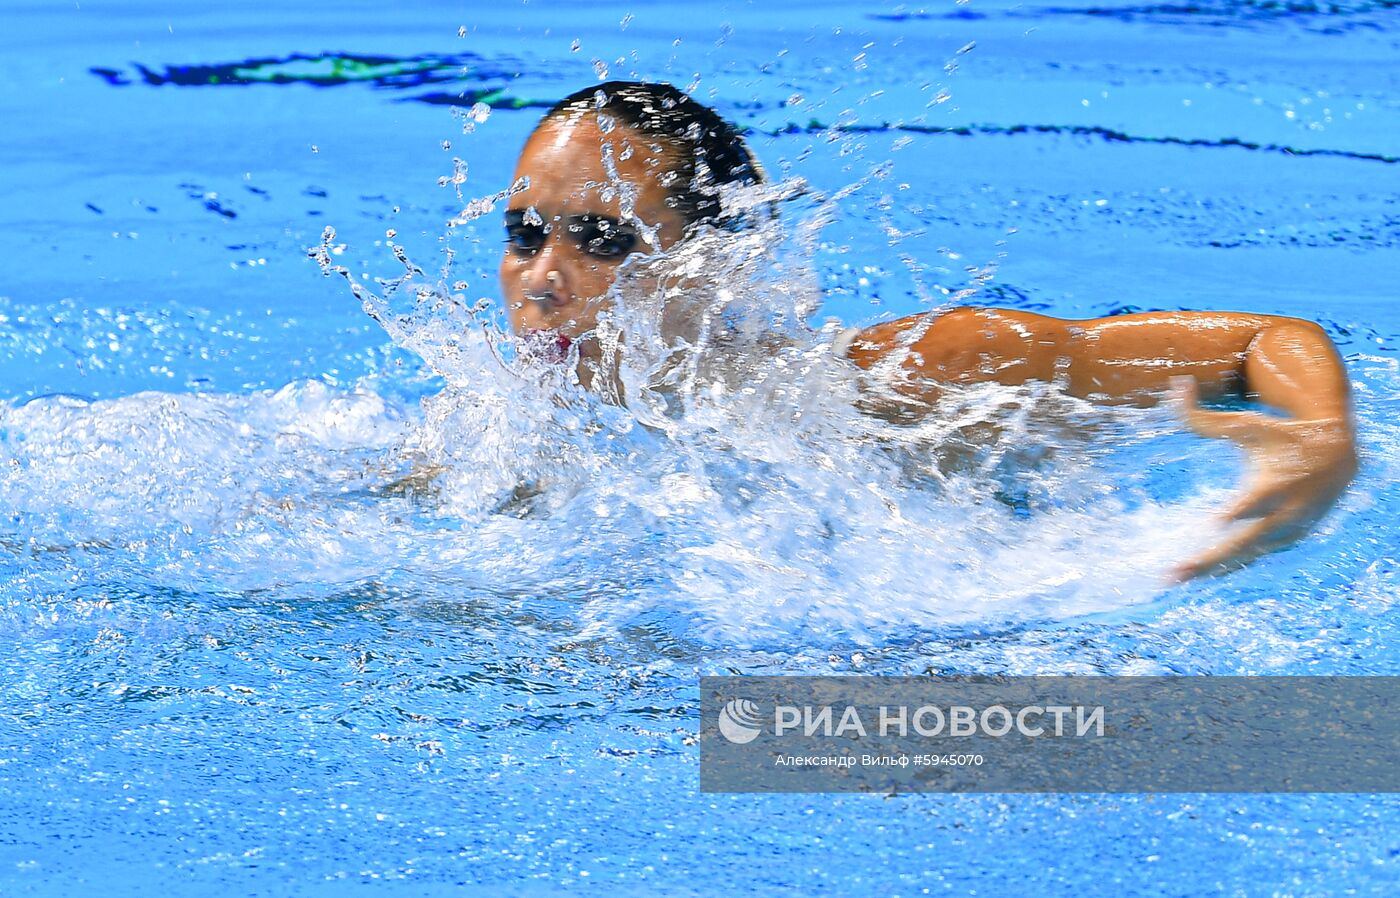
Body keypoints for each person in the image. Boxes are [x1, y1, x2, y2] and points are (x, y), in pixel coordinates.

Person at [497, 80, 1358, 581]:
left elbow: (1260, 341)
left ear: (716, 261)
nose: (542, 278)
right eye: (524, 234)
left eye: (605, 240)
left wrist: (1321, 439)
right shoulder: (499, 441)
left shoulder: (914, 376)